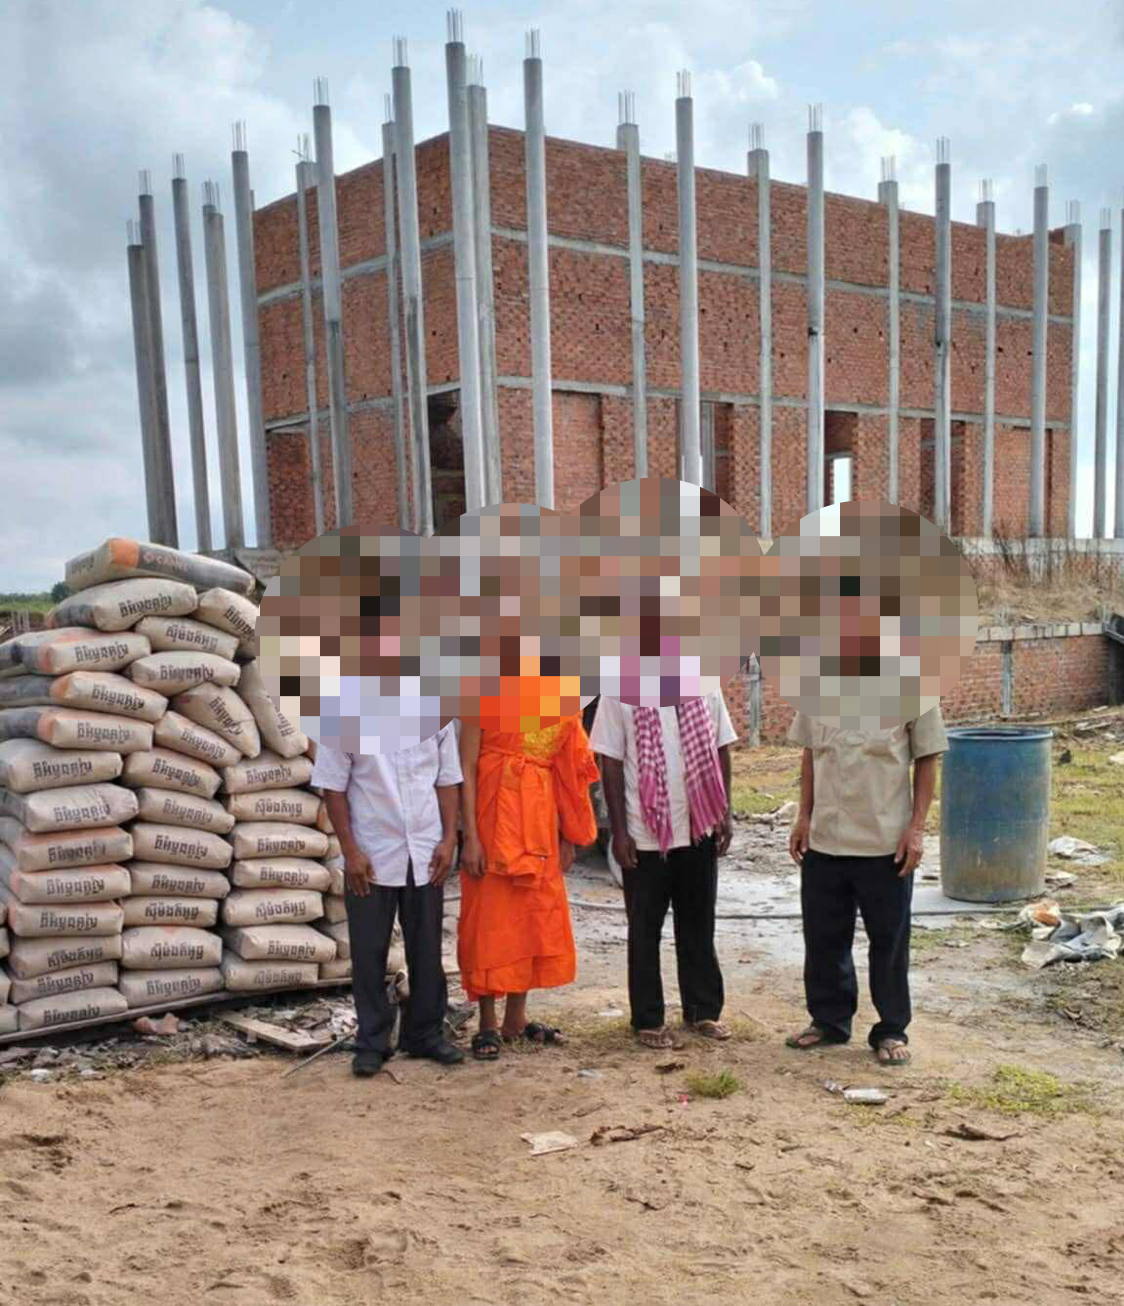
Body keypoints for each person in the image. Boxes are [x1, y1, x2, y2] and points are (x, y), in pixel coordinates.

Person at [785, 707, 948, 1066]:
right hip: (825, 838)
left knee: (889, 942)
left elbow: (927, 759)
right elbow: (811, 753)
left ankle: (891, 1028)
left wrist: (916, 829)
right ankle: (829, 1021)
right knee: (823, 937)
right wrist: (803, 816)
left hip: (885, 843)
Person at [313, 725, 465, 1077]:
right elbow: (333, 789)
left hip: (425, 851)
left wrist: (448, 840)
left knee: (427, 949)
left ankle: (425, 1034)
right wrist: (351, 852)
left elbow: (446, 781)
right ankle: (372, 1042)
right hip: (372, 854)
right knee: (369, 951)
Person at [591, 691, 736, 1050]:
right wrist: (619, 832)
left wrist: (724, 812)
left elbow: (721, 748)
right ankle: (648, 1018)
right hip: (644, 833)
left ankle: (702, 1011)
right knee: (644, 930)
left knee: (699, 925)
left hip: (698, 825)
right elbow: (610, 762)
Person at [458, 714, 599, 1061]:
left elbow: (568, 770)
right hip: (491, 822)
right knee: (489, 921)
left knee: (533, 917)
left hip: (540, 822)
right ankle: (487, 1022)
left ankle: (515, 1020)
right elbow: (466, 767)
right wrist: (470, 837)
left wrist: (568, 835)